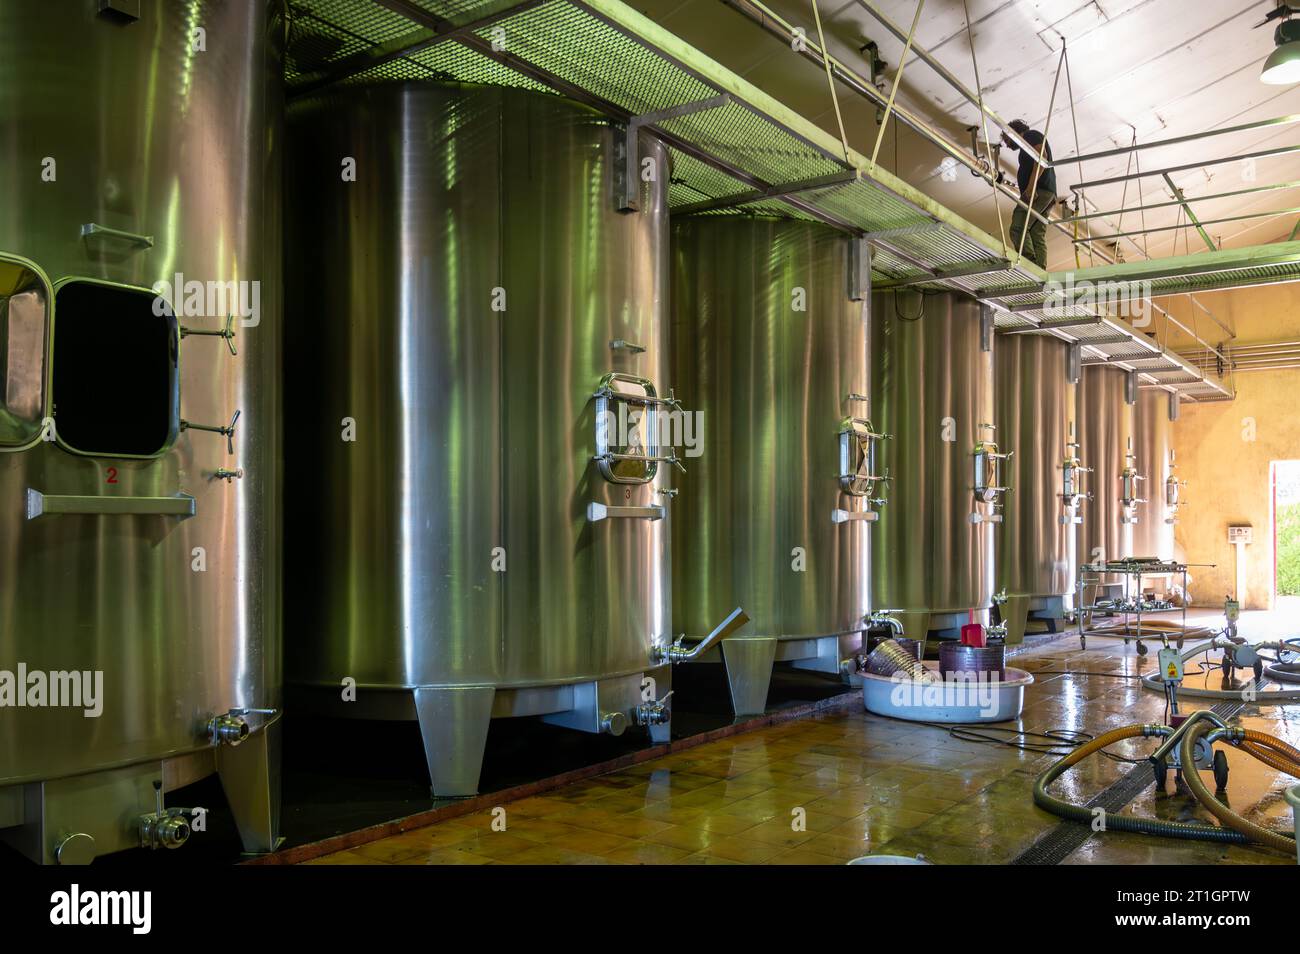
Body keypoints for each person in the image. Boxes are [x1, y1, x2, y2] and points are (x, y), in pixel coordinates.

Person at [1001, 119, 1056, 268]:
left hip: (1038, 191)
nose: (1006, 143)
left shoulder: (1030, 136)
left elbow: (1041, 157)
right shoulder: (1027, 144)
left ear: (1014, 132)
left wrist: (1031, 188)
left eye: (1006, 138)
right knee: (1035, 233)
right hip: (1047, 193)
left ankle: (1029, 266)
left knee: (1018, 228)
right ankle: (1039, 269)